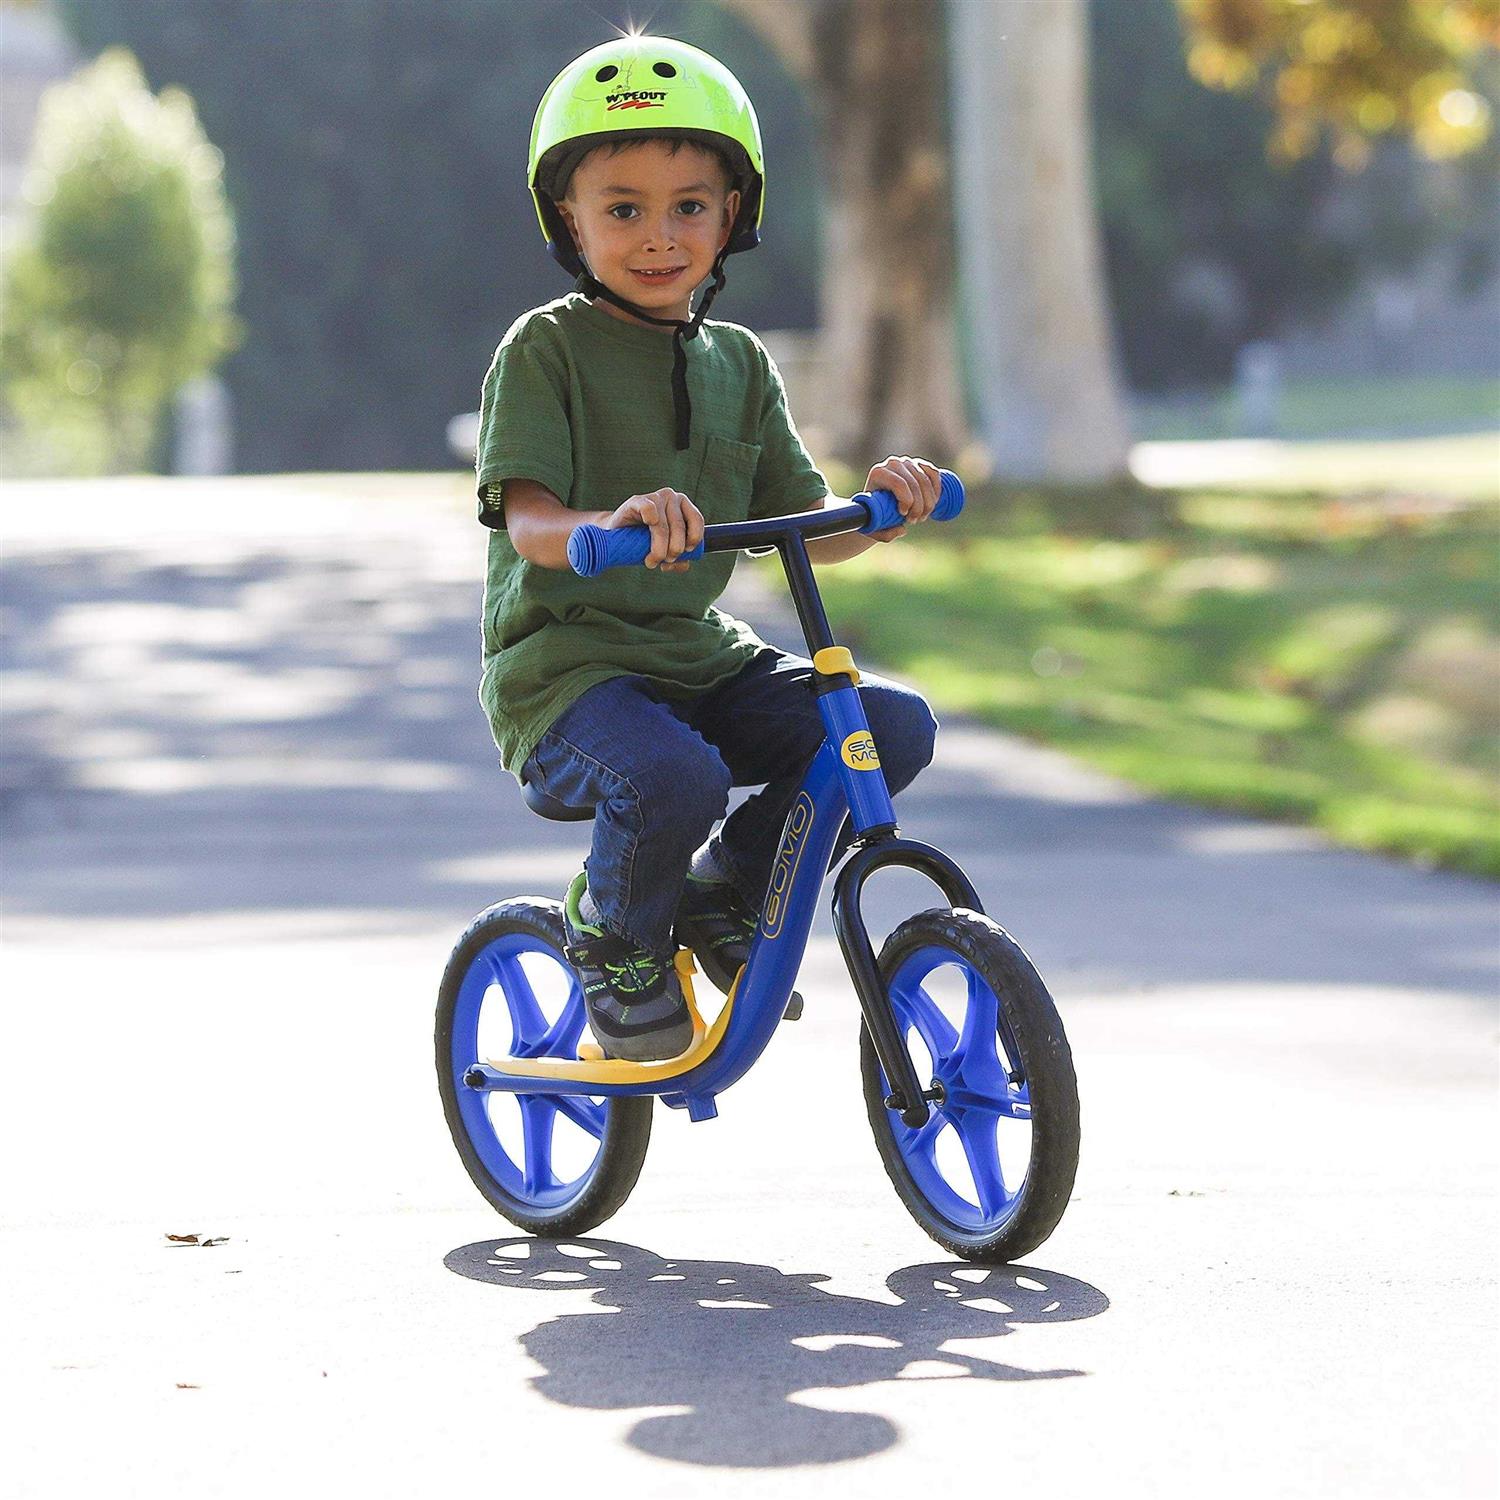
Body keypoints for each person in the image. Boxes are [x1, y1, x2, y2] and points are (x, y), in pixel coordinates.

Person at [475, 35, 942, 1061]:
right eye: (624, 207)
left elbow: (803, 529)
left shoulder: (739, 362)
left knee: (885, 728)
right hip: (567, 677)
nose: (659, 235)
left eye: (690, 204)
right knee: (670, 775)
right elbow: (530, 522)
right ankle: (614, 933)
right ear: (570, 217)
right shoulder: (544, 350)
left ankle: (731, 882)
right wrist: (607, 528)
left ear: (733, 213)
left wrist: (879, 507)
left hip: (697, 662)